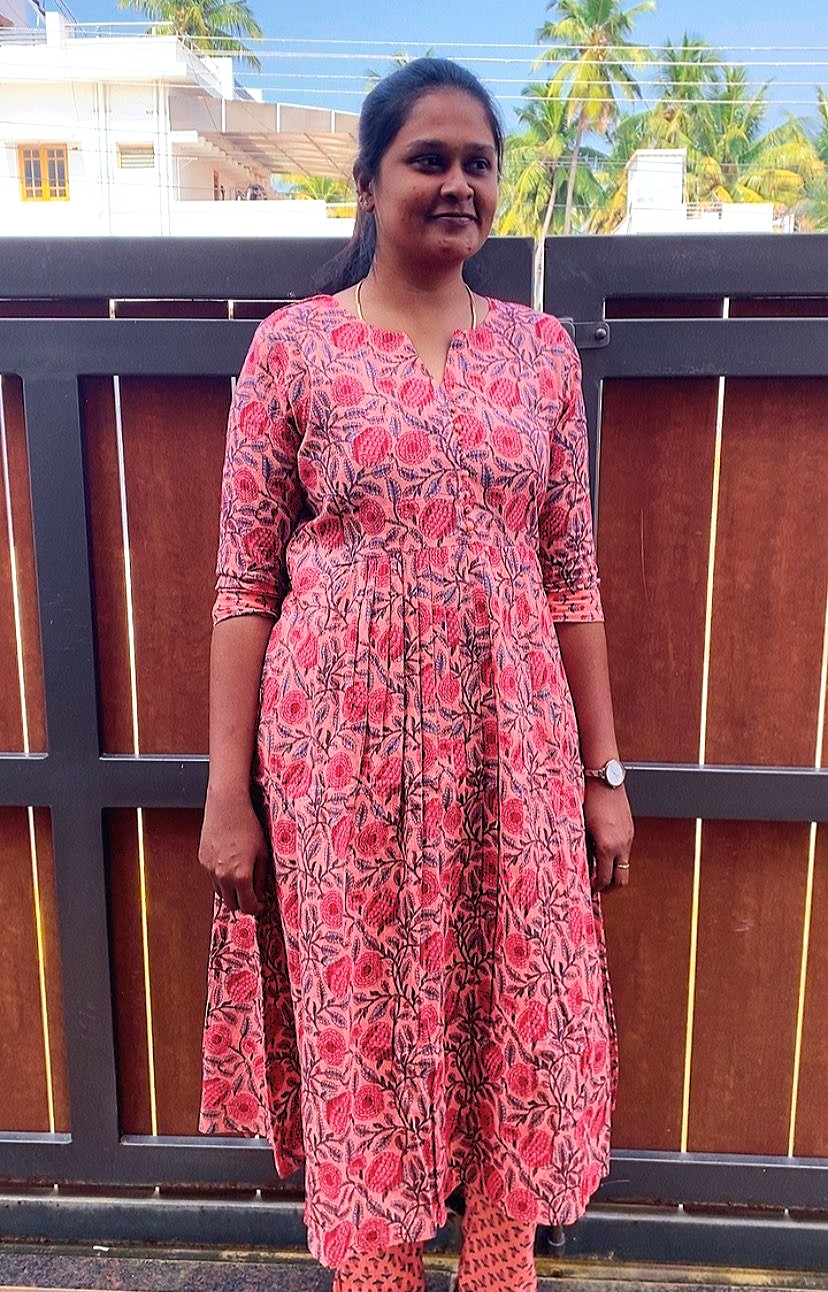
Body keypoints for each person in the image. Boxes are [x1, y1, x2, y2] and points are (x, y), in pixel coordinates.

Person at [198, 57, 633, 1292]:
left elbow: (573, 580)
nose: (456, 184)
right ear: (368, 178)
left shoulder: (541, 355)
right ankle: (378, 1274)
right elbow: (242, 585)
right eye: (427, 159)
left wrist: (605, 774)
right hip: (339, 761)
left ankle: (497, 1272)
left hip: (512, 752)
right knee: (366, 1023)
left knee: (518, 1015)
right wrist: (227, 793)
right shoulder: (292, 350)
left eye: (477, 162)